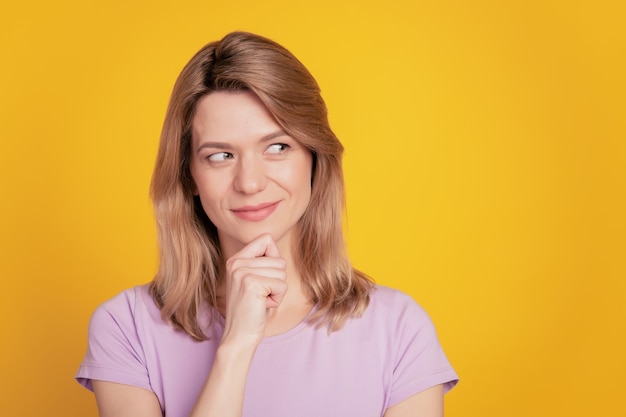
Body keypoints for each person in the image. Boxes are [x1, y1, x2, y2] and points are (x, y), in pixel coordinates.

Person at [75, 31, 458, 417]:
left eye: (277, 147)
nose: (250, 183)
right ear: (188, 174)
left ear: (314, 158)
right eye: (221, 155)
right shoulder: (126, 328)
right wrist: (237, 345)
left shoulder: (398, 330)